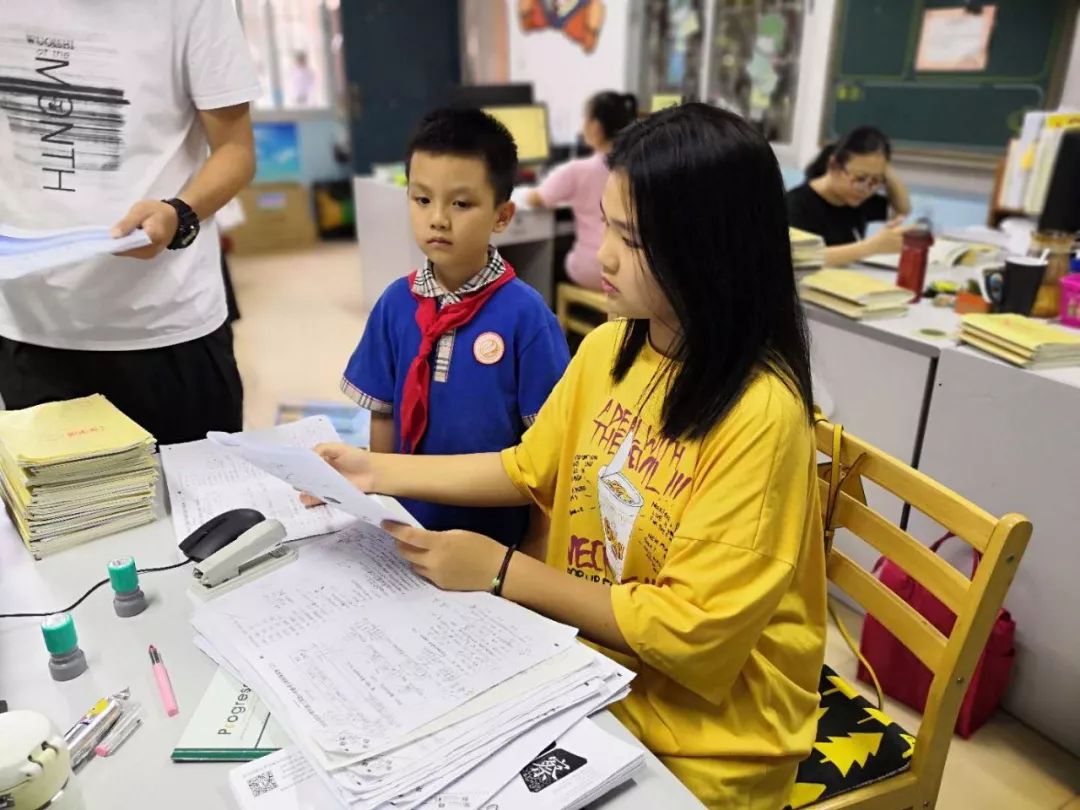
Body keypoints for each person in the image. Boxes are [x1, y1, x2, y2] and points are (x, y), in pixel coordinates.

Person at [315, 103, 826, 808]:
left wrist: (501, 571)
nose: (604, 255)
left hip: (707, 733)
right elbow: (527, 466)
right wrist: (373, 470)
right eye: (609, 226)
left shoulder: (759, 414)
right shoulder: (612, 347)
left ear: (712, 251)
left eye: (633, 238)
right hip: (591, 667)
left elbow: (687, 633)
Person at [0, 0, 259, 444]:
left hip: (167, 318)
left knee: (196, 504)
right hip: (32, 319)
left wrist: (178, 212)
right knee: (67, 509)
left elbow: (236, 151)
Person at [340, 108, 569, 548]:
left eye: (461, 204)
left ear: (502, 216)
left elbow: (550, 454)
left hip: (492, 538)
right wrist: (381, 501)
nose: (438, 219)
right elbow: (382, 413)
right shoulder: (395, 303)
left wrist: (535, 552)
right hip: (407, 521)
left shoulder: (526, 317)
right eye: (422, 199)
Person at [525, 91, 638, 290]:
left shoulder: (579, 170)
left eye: (585, 118)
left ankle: (562, 316)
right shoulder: (639, 168)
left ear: (595, 127)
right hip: (632, 271)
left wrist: (524, 191)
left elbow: (537, 198)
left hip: (593, 270)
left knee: (556, 256)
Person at [786, 126, 912, 266]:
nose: (865, 189)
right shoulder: (796, 204)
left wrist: (883, 170)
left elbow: (902, 208)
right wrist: (872, 247)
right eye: (860, 178)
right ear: (834, 166)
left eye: (875, 181)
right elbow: (797, 258)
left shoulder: (857, 200)